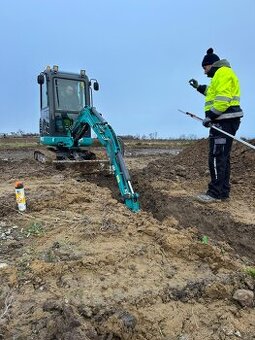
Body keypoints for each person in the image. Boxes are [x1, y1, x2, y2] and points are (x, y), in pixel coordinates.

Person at [189, 48, 243, 203]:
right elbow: (212, 93)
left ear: (211, 64)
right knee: (223, 157)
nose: (204, 72)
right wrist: (199, 87)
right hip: (225, 121)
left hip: (223, 121)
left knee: (216, 156)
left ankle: (215, 193)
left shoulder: (223, 73)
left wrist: (210, 117)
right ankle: (223, 192)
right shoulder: (219, 76)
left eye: (205, 68)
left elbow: (222, 99)